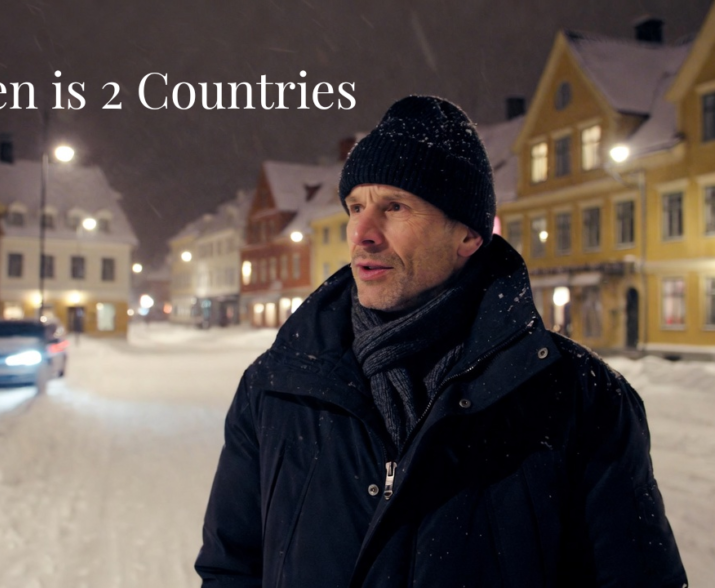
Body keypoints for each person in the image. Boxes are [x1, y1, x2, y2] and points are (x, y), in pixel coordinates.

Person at [195, 96, 686, 587]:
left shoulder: (581, 398)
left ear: (468, 236)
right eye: (356, 207)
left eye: (395, 207)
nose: (362, 233)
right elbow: (230, 567)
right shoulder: (278, 385)